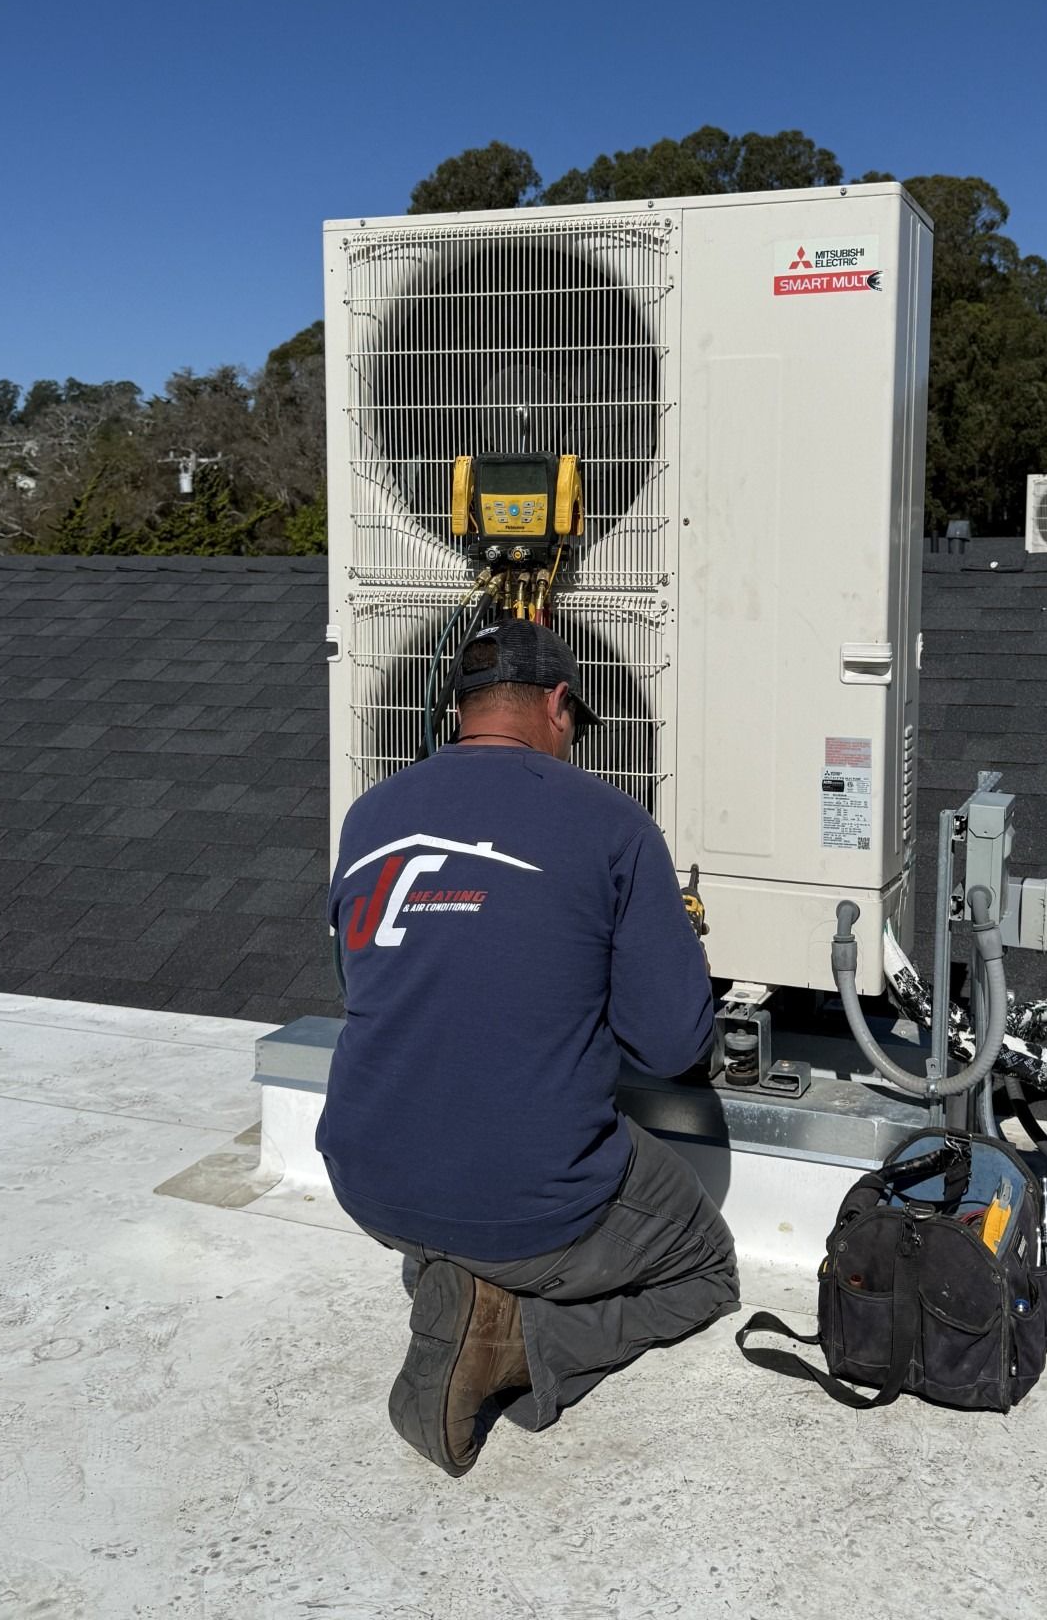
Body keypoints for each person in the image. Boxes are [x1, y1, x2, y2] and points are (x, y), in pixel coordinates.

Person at [318, 618, 739, 1477]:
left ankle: (459, 1281)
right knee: (705, 1273)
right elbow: (670, 1046)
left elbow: (362, 987)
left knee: (465, 1203)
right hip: (526, 1203)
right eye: (575, 718)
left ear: (459, 710)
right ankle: (515, 1341)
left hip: (367, 1183)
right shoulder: (611, 824)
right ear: (555, 705)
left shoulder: (369, 817)